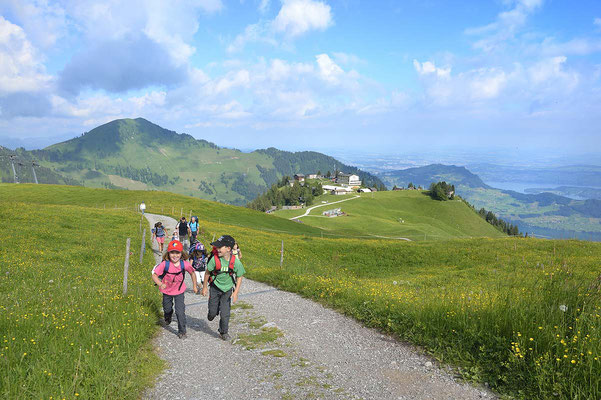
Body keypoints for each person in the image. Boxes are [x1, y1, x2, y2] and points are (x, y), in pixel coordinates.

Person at [201, 235, 245, 341]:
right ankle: (212, 312)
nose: (217, 249)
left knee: (225, 313)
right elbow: (207, 273)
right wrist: (204, 287)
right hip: (215, 288)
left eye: (220, 247)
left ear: (228, 249)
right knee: (212, 313)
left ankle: (223, 332)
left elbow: (240, 276)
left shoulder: (235, 262)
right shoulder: (214, 260)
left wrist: (236, 292)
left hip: (227, 290)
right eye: (217, 247)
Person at [152, 240, 198, 339]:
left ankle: (182, 331)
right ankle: (167, 317)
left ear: (181, 254)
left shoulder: (184, 264)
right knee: (167, 309)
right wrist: (160, 283)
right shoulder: (165, 264)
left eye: (177, 252)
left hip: (179, 291)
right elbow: (154, 275)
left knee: (180, 311)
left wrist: (194, 286)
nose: (175, 255)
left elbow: (192, 273)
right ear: (168, 253)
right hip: (167, 291)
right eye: (172, 252)